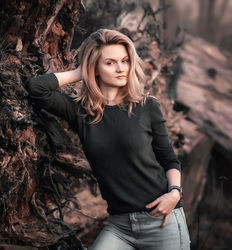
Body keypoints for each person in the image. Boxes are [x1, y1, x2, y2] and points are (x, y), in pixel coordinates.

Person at [25, 28, 190, 250]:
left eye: (124, 60)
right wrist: (79, 72)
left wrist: (174, 193)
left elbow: (169, 159)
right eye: (110, 63)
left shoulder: (147, 106)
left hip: (162, 221)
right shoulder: (81, 112)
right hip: (119, 226)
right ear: (95, 67)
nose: (121, 68)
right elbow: (36, 88)